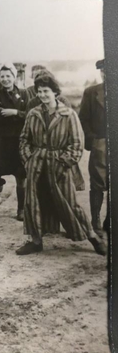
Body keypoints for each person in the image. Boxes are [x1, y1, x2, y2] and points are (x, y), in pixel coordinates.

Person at [16, 74, 106, 256]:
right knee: (33, 202)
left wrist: (64, 161)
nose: (42, 95)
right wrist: (29, 159)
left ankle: (93, 237)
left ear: (55, 92)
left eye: (46, 91)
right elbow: (24, 139)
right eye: (39, 91)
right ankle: (35, 240)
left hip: (60, 166)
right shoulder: (33, 114)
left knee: (70, 203)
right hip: (37, 165)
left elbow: (76, 144)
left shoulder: (68, 115)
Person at [0, 63, 30, 220]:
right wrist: (2, 114)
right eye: (2, 76)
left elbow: (29, 114)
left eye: (8, 76)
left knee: (21, 175)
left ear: (14, 77)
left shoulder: (24, 94)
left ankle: (21, 209)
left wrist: (15, 112)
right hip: (2, 140)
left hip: (19, 140)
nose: (5, 79)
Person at [79, 59, 108, 237]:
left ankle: (109, 221)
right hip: (100, 143)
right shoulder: (91, 93)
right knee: (97, 184)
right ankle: (95, 219)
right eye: (104, 71)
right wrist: (93, 139)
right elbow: (83, 119)